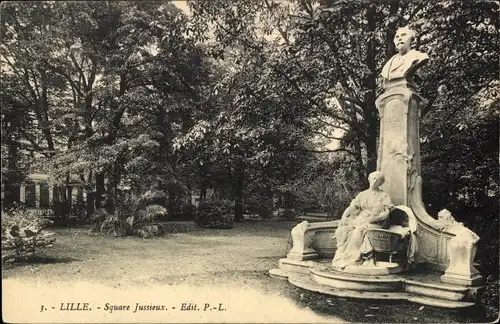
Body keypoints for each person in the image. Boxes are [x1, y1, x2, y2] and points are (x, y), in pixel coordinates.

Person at [332, 171, 394, 269]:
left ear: (381, 183)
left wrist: (376, 218)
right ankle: (342, 255)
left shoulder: (384, 195)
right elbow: (353, 207)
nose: (374, 181)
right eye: (373, 178)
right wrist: (344, 216)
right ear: (369, 179)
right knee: (342, 230)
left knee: (358, 231)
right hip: (360, 219)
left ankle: (352, 258)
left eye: (377, 180)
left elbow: (387, 212)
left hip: (376, 221)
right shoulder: (362, 194)